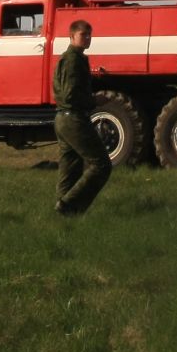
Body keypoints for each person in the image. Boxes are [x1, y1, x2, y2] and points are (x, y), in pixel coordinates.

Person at [53, 20, 111, 215]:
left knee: (70, 168)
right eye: (83, 35)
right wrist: (95, 100)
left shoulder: (70, 58)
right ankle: (69, 204)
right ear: (72, 36)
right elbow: (71, 95)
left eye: (89, 35)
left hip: (63, 118)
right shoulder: (73, 60)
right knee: (101, 164)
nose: (87, 38)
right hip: (73, 118)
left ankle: (65, 213)